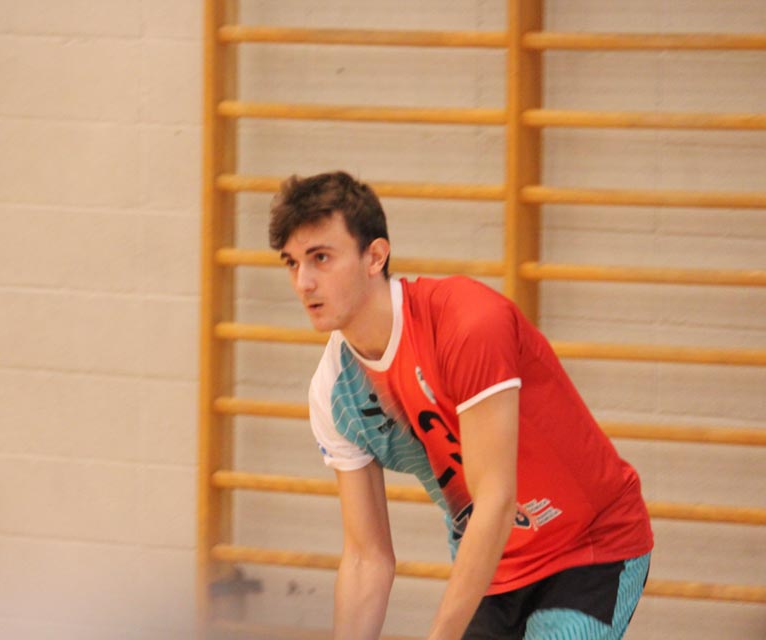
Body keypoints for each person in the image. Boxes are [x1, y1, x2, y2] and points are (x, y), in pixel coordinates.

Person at [268, 171, 654, 640]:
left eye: (321, 258)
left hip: (590, 549)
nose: (303, 282)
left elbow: (496, 500)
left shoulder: (466, 323)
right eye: (291, 263)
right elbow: (367, 558)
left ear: (375, 256)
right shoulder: (333, 393)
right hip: (492, 567)